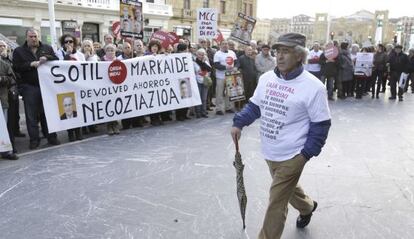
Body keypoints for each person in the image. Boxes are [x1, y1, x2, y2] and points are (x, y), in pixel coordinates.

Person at [231, 33, 331, 239]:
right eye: (278, 52)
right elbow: (256, 106)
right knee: (288, 190)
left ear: (299, 56)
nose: (280, 57)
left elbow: (321, 125)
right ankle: (307, 207)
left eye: (286, 51)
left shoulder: (314, 87)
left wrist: (304, 155)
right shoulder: (267, 78)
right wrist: (239, 122)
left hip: (294, 154)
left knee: (277, 201)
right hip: (270, 150)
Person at [12, 28, 60, 149]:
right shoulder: (19, 51)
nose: (33, 39)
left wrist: (47, 58)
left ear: (38, 37)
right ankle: (34, 140)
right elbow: (16, 67)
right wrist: (30, 64)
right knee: (31, 116)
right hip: (29, 87)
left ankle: (51, 136)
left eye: (35, 36)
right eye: (31, 36)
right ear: (26, 37)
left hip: (46, 86)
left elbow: (56, 60)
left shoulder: (47, 48)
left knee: (48, 113)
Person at [56, 34, 84, 142]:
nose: (69, 44)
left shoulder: (80, 55)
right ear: (63, 43)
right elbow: (61, 67)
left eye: (71, 41)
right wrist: (67, 55)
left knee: (78, 109)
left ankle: (78, 131)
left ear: (74, 43)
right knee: (67, 109)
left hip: (77, 86)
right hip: (65, 87)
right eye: (66, 42)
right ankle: (70, 133)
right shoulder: (58, 54)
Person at [0, 40, 25, 139]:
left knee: (14, 115)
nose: (1, 48)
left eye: (3, 46)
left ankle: (15, 131)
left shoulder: (9, 60)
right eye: (0, 46)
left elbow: (13, 76)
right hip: (5, 94)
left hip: (11, 91)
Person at [101, 44, 121, 135]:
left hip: (116, 86)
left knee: (115, 105)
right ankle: (109, 126)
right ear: (105, 52)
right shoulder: (101, 61)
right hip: (106, 86)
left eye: (112, 50)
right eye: (108, 50)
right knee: (108, 106)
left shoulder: (119, 61)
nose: (110, 52)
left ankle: (115, 124)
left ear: (115, 51)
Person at [0, 56, 18, 159]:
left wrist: (1, 79)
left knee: (3, 127)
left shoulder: (4, 65)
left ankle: (6, 151)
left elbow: (12, 80)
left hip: (2, 101)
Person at [213, 40, 238, 115]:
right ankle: (219, 109)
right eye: (223, 44)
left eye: (226, 44)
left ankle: (229, 107)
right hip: (221, 76)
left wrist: (236, 67)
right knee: (219, 93)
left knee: (230, 92)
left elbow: (237, 62)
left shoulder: (232, 53)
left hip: (230, 75)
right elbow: (216, 65)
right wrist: (226, 67)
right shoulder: (217, 54)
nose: (225, 45)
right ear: (220, 45)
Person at [194, 48, 212, 118]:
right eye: (200, 54)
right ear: (197, 55)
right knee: (198, 98)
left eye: (203, 54)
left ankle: (203, 112)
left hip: (205, 81)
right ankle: (198, 113)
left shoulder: (205, 61)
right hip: (197, 81)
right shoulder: (194, 62)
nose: (201, 56)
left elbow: (209, 69)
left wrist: (204, 62)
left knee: (204, 98)